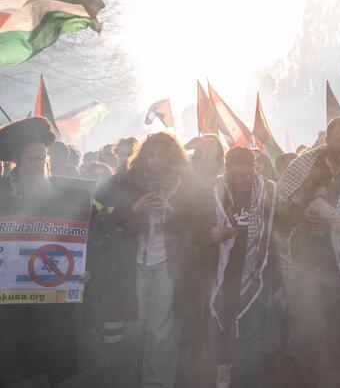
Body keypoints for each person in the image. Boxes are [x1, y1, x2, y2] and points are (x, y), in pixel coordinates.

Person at [93, 132, 202, 388]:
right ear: (143, 156)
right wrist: (134, 209)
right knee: (134, 328)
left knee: (161, 330)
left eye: (163, 156)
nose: (156, 161)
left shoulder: (187, 183)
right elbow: (99, 216)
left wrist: (172, 212)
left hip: (168, 264)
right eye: (152, 155)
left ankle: (157, 383)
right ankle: (133, 378)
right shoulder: (124, 180)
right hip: (132, 263)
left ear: (173, 158)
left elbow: (199, 225)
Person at [275, 117, 340, 387]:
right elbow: (280, 208)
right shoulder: (304, 165)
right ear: (327, 139)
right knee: (308, 323)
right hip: (306, 258)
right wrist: (303, 212)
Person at [0, 117, 89, 387]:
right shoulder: (1, 191)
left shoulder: (63, 194)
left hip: (50, 297)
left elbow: (77, 240)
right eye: (33, 159)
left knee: (51, 359)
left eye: (43, 158)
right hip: (10, 302)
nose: (40, 164)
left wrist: (82, 270)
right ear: (17, 160)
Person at [208, 147, 277, 388]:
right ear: (226, 168)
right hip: (223, 272)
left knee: (252, 334)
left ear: (254, 169)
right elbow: (196, 224)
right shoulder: (214, 190)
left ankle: (250, 381)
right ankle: (223, 370)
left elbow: (277, 229)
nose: (239, 180)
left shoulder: (269, 191)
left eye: (244, 175)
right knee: (221, 325)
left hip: (257, 273)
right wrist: (210, 234)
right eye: (234, 174)